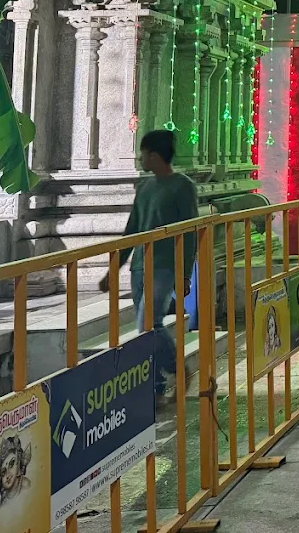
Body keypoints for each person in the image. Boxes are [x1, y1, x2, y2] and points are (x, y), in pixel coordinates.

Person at [99, 129, 199, 402]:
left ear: (153, 156)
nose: (139, 158)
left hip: (166, 264)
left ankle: (177, 368)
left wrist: (185, 274)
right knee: (144, 330)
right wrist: (114, 268)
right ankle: (154, 388)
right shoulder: (144, 187)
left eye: (142, 153)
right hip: (140, 265)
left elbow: (190, 232)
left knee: (148, 324)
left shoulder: (182, 186)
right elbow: (132, 231)